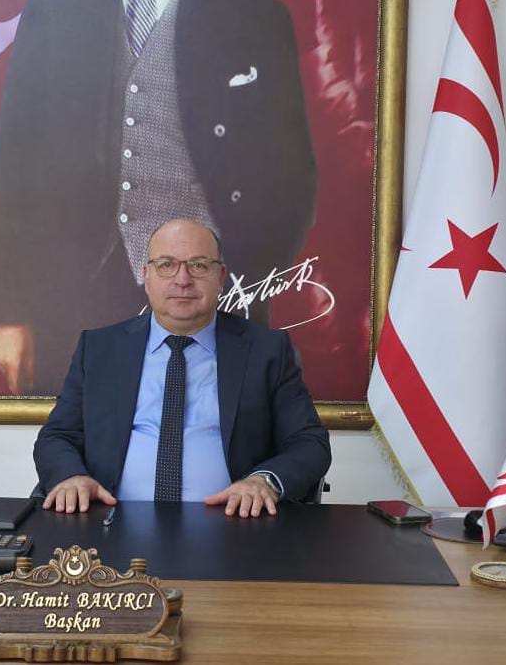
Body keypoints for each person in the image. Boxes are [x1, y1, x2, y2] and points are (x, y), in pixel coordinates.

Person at [0, 0, 316, 395]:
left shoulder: (256, 15)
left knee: (203, 435)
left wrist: (237, 282)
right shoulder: (52, 4)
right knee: (84, 437)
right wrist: (9, 311)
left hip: (209, 302)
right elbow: (16, 167)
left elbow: (290, 178)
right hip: (73, 299)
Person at [33, 219, 331, 518]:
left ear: (220, 276)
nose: (183, 280)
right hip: (111, 524)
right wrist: (71, 477)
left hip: (234, 526)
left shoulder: (267, 350)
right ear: (146, 276)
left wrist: (263, 481)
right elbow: (57, 436)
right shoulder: (99, 349)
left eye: (199, 265)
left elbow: (309, 442)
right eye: (167, 265)